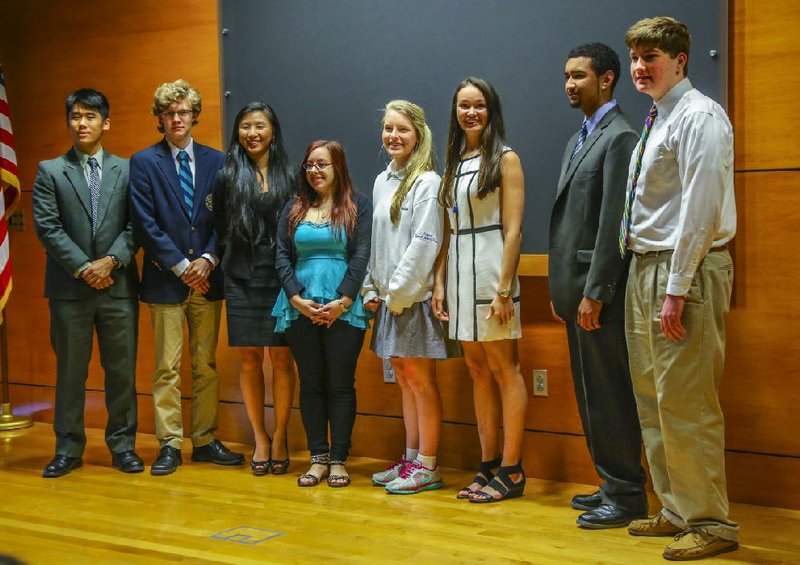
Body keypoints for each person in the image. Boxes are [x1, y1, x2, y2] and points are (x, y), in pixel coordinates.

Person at [622, 17, 738, 560]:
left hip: (683, 271)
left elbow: (700, 209)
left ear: (681, 60)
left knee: (687, 402)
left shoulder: (700, 117)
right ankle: (675, 509)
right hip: (646, 268)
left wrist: (676, 286)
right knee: (654, 398)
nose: (640, 67)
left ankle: (712, 522)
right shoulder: (659, 117)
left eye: (652, 57)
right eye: (636, 58)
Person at [548, 43, 647, 528]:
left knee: (609, 397)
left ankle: (628, 495)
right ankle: (609, 483)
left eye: (579, 76)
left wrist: (595, 291)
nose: (569, 84)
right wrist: (564, 289)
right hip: (575, 292)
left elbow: (615, 224)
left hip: (599, 296)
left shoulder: (620, 137)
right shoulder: (579, 138)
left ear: (607, 79)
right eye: (566, 76)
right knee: (591, 396)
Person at [130, 79, 244, 475]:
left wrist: (209, 259)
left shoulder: (218, 161)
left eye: (183, 112)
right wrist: (181, 265)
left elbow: (225, 219)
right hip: (165, 279)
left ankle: (205, 439)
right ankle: (169, 443)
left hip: (208, 280)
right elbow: (144, 224)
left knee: (205, 365)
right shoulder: (144, 162)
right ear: (159, 119)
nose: (177, 118)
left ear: (195, 115)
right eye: (169, 113)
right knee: (166, 366)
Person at [33, 88, 141, 477]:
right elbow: (47, 228)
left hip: (118, 287)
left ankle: (123, 445)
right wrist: (84, 268)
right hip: (69, 290)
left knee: (122, 372)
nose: (82, 123)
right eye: (76, 116)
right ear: (69, 122)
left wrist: (110, 262)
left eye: (90, 116)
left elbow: (136, 225)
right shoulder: (50, 170)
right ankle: (67, 448)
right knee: (71, 373)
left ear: (105, 123)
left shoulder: (128, 169)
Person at [433, 77, 527, 503]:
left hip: (493, 274)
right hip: (457, 273)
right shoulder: (454, 162)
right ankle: (487, 463)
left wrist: (505, 288)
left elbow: (514, 230)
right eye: (464, 106)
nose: (471, 112)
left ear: (492, 109)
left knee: (505, 369)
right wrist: (439, 282)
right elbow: (448, 230)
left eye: (479, 105)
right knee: (475, 370)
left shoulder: (506, 159)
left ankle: (512, 469)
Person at [273, 140, 372, 488]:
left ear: (338, 167)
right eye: (310, 165)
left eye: (323, 164)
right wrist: (296, 299)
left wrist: (342, 301)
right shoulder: (294, 207)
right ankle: (318, 458)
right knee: (311, 384)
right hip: (299, 307)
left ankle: (340, 460)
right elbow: (282, 256)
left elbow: (361, 255)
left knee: (341, 385)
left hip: (344, 308)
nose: (315, 171)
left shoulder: (357, 205)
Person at [362, 100, 446, 494]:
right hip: (389, 300)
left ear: (418, 135)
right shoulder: (383, 180)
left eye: (402, 130)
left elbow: (425, 244)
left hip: (412, 300)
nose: (394, 136)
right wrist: (370, 288)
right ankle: (411, 458)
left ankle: (427, 464)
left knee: (421, 380)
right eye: (388, 129)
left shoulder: (427, 182)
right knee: (406, 381)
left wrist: (396, 294)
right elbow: (378, 243)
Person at [212, 102, 297, 476]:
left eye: (259, 126)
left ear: (273, 131)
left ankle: (281, 435)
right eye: (245, 126)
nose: (252, 133)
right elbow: (218, 226)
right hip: (241, 276)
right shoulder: (227, 175)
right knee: (249, 359)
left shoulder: (292, 175)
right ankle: (259, 438)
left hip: (280, 276)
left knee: (281, 358)